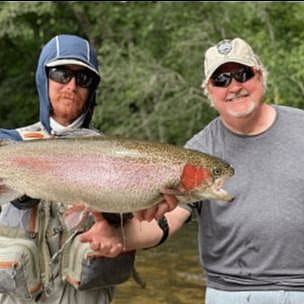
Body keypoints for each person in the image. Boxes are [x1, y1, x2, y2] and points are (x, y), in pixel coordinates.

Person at [80, 37, 304, 304]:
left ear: (260, 75)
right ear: (209, 91)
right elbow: (169, 219)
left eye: (242, 74)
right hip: (229, 292)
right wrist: (121, 237)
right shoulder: (198, 151)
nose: (234, 86)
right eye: (221, 80)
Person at [0, 34, 136, 304]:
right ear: (43, 77)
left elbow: (136, 226)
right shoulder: (8, 145)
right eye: (61, 74)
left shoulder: (116, 157)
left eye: (83, 79)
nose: (72, 86)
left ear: (92, 89)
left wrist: (111, 212)